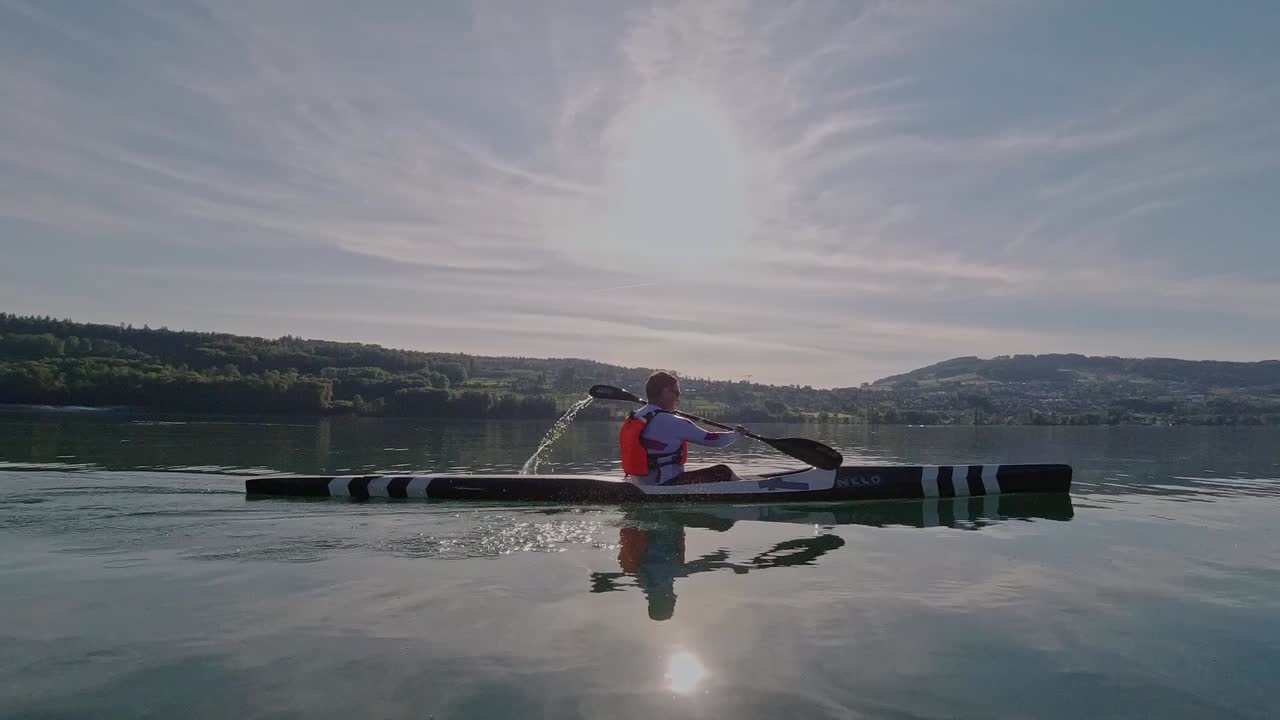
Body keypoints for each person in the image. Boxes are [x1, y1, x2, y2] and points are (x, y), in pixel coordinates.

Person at [619, 371, 743, 485]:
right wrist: (736, 434)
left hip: (640, 482)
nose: (677, 398)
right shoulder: (673, 422)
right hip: (665, 484)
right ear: (665, 391)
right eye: (676, 393)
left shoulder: (636, 416)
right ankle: (748, 488)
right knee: (722, 471)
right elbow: (713, 439)